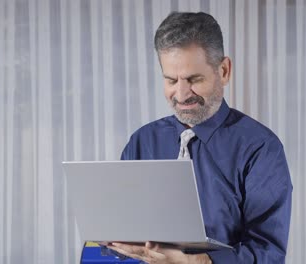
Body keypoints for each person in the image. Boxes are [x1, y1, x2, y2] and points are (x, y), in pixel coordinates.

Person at [105, 12, 292, 263]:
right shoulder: (142, 142)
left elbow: (268, 253)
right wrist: (117, 243)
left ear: (224, 71)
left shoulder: (260, 148)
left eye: (194, 79)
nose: (181, 94)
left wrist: (197, 262)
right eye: (171, 80)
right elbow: (123, 232)